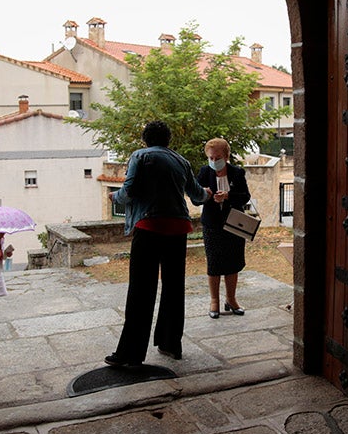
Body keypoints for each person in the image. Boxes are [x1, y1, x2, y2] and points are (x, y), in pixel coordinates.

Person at [105, 120, 212, 366]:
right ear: (168, 140)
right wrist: (208, 194)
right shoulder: (182, 161)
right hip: (178, 229)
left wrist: (115, 196)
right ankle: (171, 344)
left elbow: (129, 191)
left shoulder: (140, 156)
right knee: (174, 288)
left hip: (149, 227)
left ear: (145, 139)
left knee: (141, 290)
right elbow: (197, 195)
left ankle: (130, 354)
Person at [196, 137, 252, 319]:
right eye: (211, 158)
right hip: (212, 225)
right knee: (214, 263)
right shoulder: (204, 172)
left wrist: (228, 196)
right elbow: (195, 198)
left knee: (232, 262)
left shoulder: (237, 172)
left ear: (226, 156)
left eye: (217, 157)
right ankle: (214, 301)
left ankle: (231, 299)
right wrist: (205, 195)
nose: (214, 161)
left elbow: (245, 196)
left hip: (234, 223)